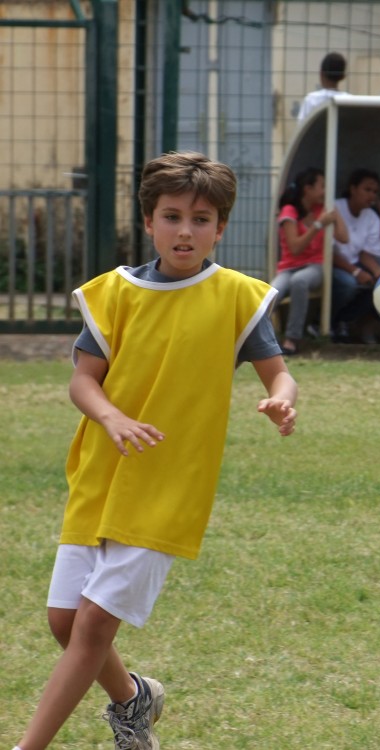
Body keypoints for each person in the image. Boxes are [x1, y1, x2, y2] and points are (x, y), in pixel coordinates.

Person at [12, 151, 298, 750]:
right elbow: (83, 382)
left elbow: (279, 373)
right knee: (65, 622)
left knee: (93, 624)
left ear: (220, 228)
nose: (185, 231)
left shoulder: (236, 297)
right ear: (148, 222)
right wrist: (112, 417)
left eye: (201, 219)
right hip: (100, 473)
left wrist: (281, 399)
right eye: (172, 217)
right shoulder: (114, 293)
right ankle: (133, 699)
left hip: (170, 484)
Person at [270, 167, 348, 355]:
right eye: (322, 186)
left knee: (300, 281)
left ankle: (292, 339)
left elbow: (344, 238)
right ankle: (257, 340)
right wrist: (318, 224)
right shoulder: (290, 211)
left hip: (314, 266)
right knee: (269, 295)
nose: (325, 191)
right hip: (288, 268)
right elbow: (295, 248)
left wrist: (334, 211)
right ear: (308, 189)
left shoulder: (322, 209)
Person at [331, 167, 380, 344]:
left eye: (375, 192)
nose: (371, 195)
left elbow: (364, 254)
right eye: (367, 189)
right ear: (353, 189)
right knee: (348, 284)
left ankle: (343, 322)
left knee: (378, 286)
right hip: (332, 264)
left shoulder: (372, 217)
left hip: (355, 263)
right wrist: (356, 272)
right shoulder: (335, 208)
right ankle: (327, 323)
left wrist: (378, 272)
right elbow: (329, 253)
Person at [297, 51, 347, 123]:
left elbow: (301, 125)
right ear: (343, 76)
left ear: (321, 73)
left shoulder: (311, 100)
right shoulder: (349, 101)